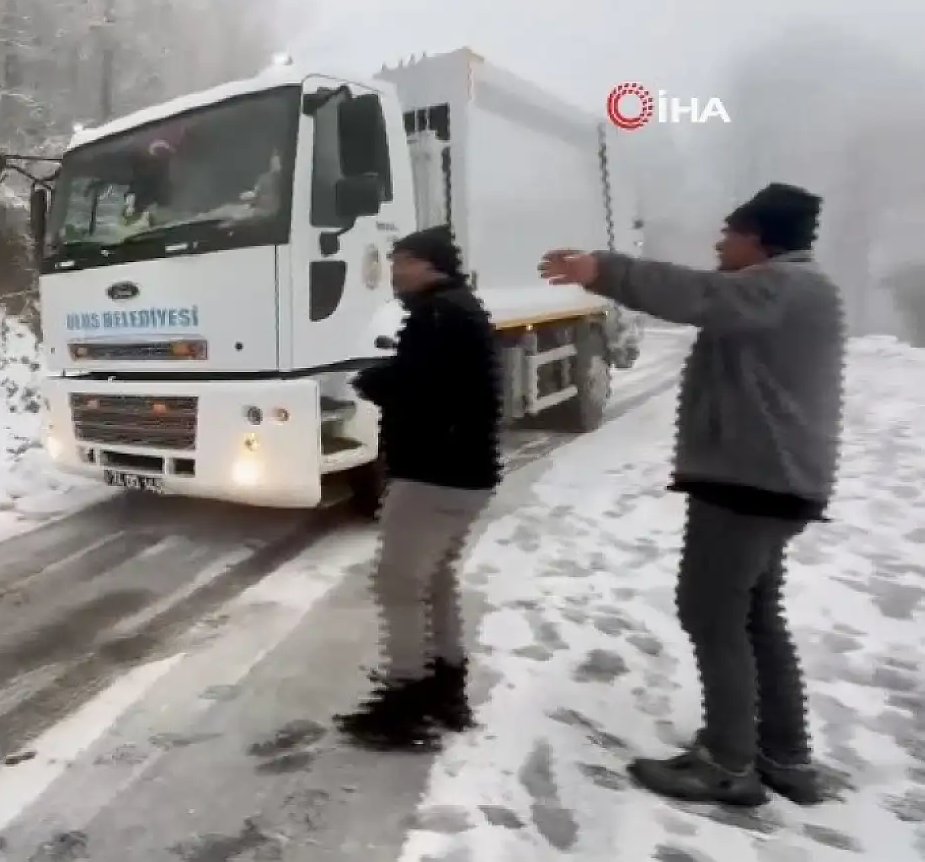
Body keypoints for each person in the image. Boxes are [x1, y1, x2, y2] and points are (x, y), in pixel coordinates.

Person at [538, 182, 843, 807]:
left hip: (749, 482)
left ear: (758, 238)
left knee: (712, 613)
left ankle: (727, 763)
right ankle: (782, 756)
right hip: (769, 481)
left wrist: (605, 270)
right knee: (756, 616)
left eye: (729, 232)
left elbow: (697, 294)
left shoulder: (782, 287)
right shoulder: (795, 290)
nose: (718, 242)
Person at [337, 224, 504, 750]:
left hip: (434, 474)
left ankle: (404, 702)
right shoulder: (460, 308)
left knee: (399, 585)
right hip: (465, 475)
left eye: (401, 260)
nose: (393, 270)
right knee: (435, 580)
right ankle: (445, 688)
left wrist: (373, 381)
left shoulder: (439, 314)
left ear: (428, 264)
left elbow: (426, 389)